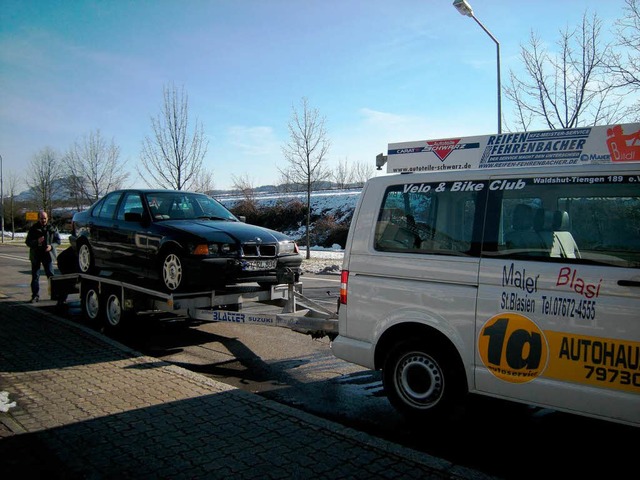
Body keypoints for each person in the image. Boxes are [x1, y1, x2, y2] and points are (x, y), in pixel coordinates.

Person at [25, 210, 61, 303]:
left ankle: (55, 294)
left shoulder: (52, 228)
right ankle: (35, 296)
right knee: (35, 276)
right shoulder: (33, 228)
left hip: (47, 255)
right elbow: (28, 242)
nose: (43, 220)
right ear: (38, 219)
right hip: (36, 255)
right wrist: (37, 241)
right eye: (41, 218)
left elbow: (58, 241)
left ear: (47, 218)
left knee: (51, 275)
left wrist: (51, 246)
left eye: (45, 218)